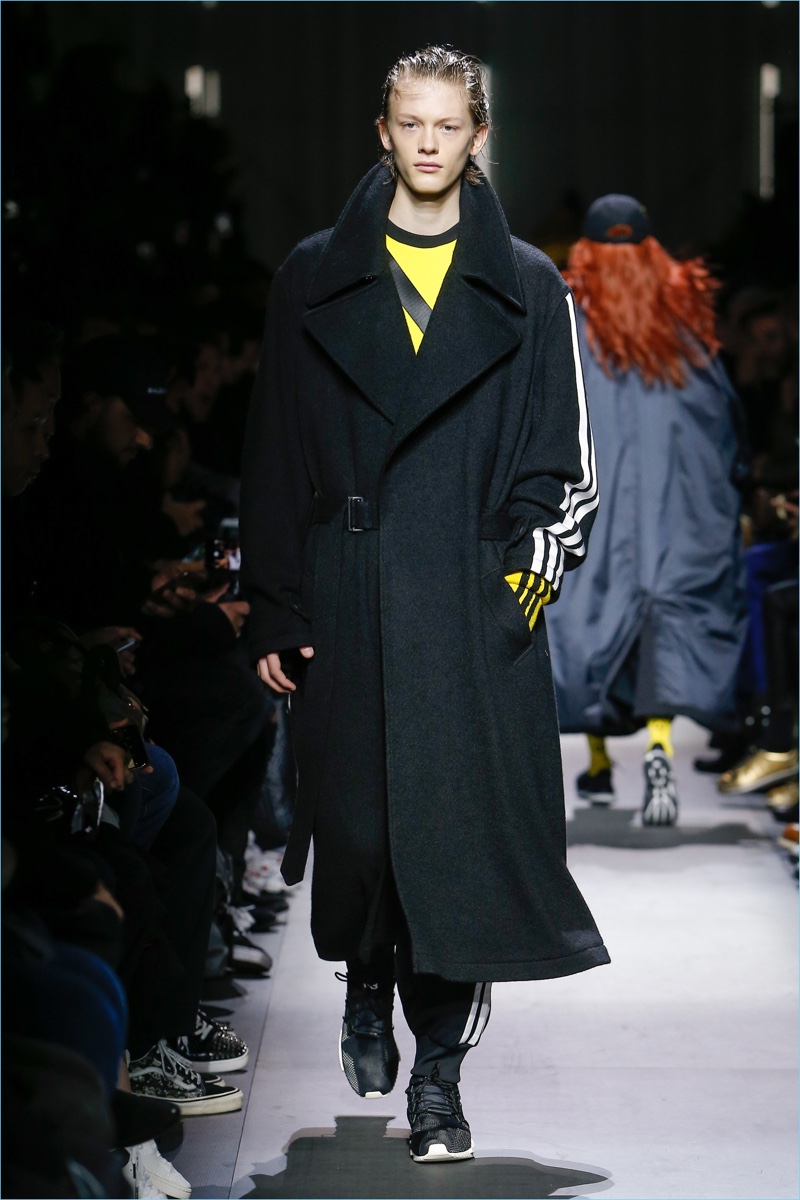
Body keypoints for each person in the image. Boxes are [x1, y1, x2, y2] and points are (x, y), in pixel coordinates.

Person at [241, 45, 608, 1164]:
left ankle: (438, 1081)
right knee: (362, 835)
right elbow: (274, 450)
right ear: (384, 131)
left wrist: (518, 592)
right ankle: (364, 980)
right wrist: (275, 604)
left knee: (457, 854)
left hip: (468, 609)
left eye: (450, 125)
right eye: (412, 123)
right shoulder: (314, 275)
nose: (431, 143)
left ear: (478, 135)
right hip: (350, 594)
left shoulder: (528, 285)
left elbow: (566, 465)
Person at [547, 194, 747, 825]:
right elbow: (722, 427)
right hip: (675, 511)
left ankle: (600, 762)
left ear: (585, 251)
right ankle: (660, 749)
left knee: (588, 612)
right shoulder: (682, 331)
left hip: (591, 504)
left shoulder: (568, 322)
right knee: (663, 619)